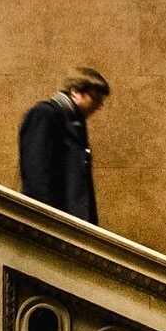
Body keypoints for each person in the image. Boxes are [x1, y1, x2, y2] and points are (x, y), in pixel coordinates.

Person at [18, 67, 109, 225]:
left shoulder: (74, 121)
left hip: (72, 223)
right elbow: (36, 175)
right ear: (75, 92)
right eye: (95, 99)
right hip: (54, 224)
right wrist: (47, 222)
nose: (98, 106)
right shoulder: (44, 114)